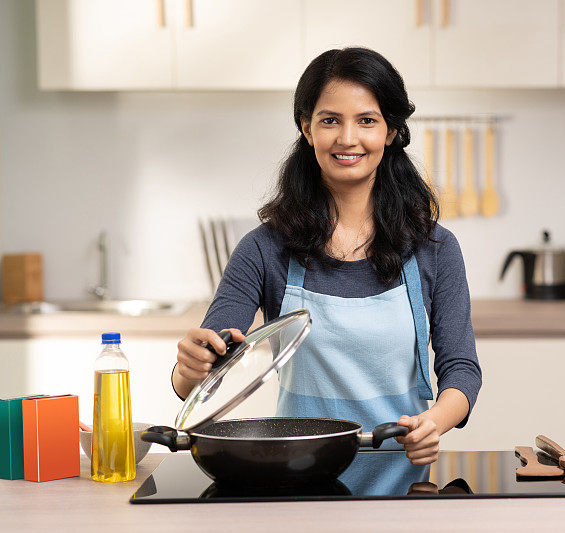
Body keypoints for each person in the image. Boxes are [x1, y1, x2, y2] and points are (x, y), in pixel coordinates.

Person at [172, 47, 481, 465]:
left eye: (367, 120)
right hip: (298, 483)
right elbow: (205, 368)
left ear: (390, 131)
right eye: (330, 120)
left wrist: (435, 421)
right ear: (307, 128)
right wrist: (191, 367)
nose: (347, 138)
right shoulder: (265, 249)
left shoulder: (435, 248)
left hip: (401, 482)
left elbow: (461, 368)